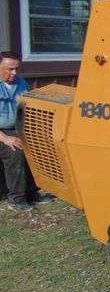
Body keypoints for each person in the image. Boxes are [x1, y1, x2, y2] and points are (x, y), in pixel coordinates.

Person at [0, 51, 54, 211]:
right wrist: (5, 139)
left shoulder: (22, 83)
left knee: (36, 146)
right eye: (10, 69)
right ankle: (17, 198)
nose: (14, 73)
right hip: (2, 133)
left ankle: (32, 193)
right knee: (15, 151)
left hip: (16, 129)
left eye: (17, 68)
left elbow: (28, 109)